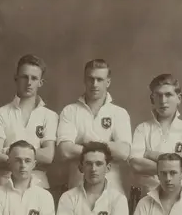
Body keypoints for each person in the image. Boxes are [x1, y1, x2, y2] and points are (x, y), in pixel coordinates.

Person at [56, 58, 132, 194]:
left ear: (108, 82)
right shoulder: (70, 111)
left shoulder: (119, 113)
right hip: (77, 190)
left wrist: (85, 144)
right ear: (85, 80)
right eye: (90, 79)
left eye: (100, 80)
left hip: (112, 192)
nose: (94, 84)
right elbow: (65, 151)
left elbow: (123, 152)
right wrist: (107, 148)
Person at [0, 54, 58, 189]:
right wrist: (33, 156)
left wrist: (9, 151)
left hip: (39, 186)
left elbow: (48, 156)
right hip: (5, 186)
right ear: (16, 78)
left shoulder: (50, 116)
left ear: (40, 82)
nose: (29, 82)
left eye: (34, 78)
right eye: (25, 77)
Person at [129, 74, 182, 197]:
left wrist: (151, 154)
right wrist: (175, 167)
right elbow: (136, 165)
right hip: (149, 196)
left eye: (168, 95)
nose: (163, 101)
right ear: (152, 99)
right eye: (158, 95)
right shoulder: (143, 128)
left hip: (181, 197)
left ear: (179, 98)